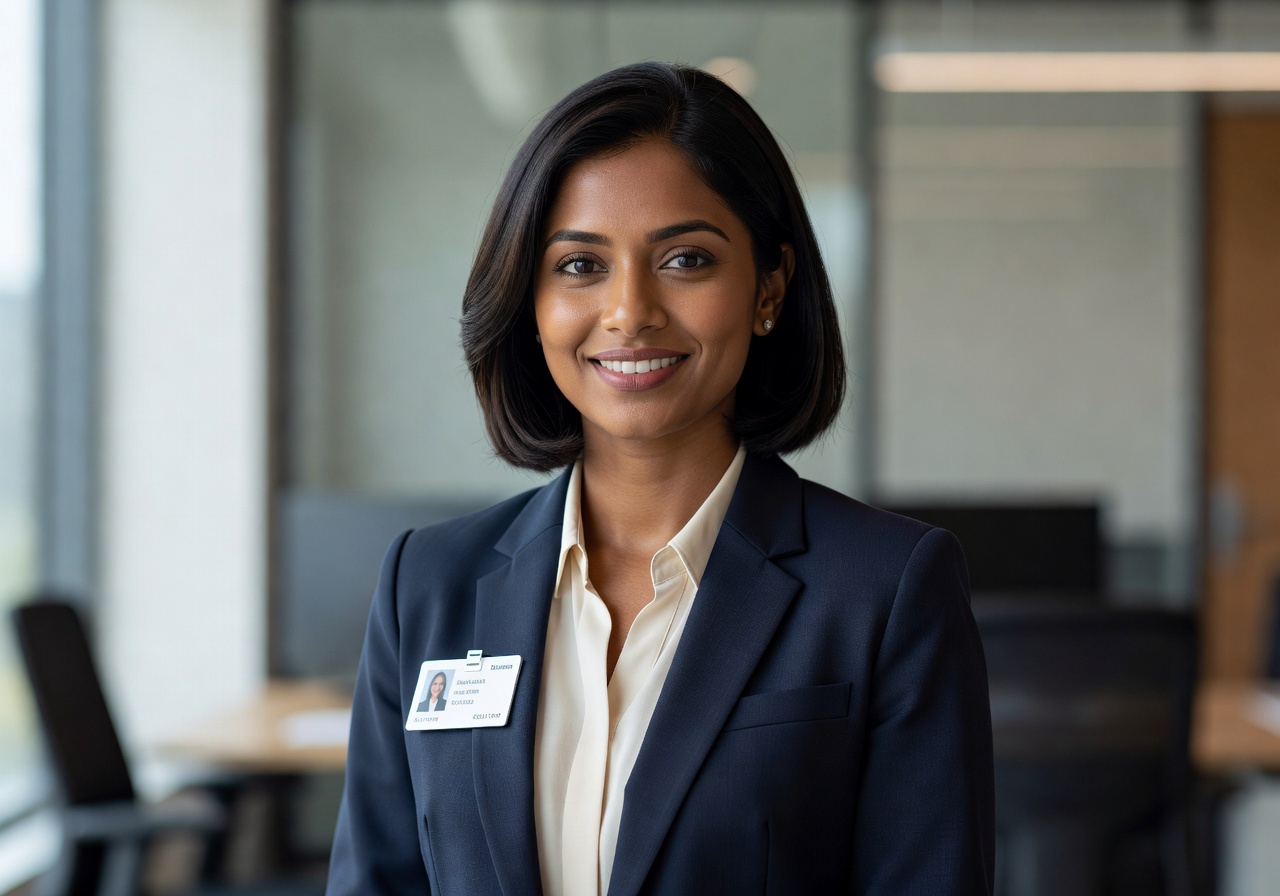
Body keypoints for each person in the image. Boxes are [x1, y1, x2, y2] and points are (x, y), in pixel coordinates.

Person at [327, 62, 993, 896]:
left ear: (769, 289)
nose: (630, 311)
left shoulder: (885, 590)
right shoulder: (425, 585)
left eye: (685, 258)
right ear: (529, 300)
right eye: (579, 265)